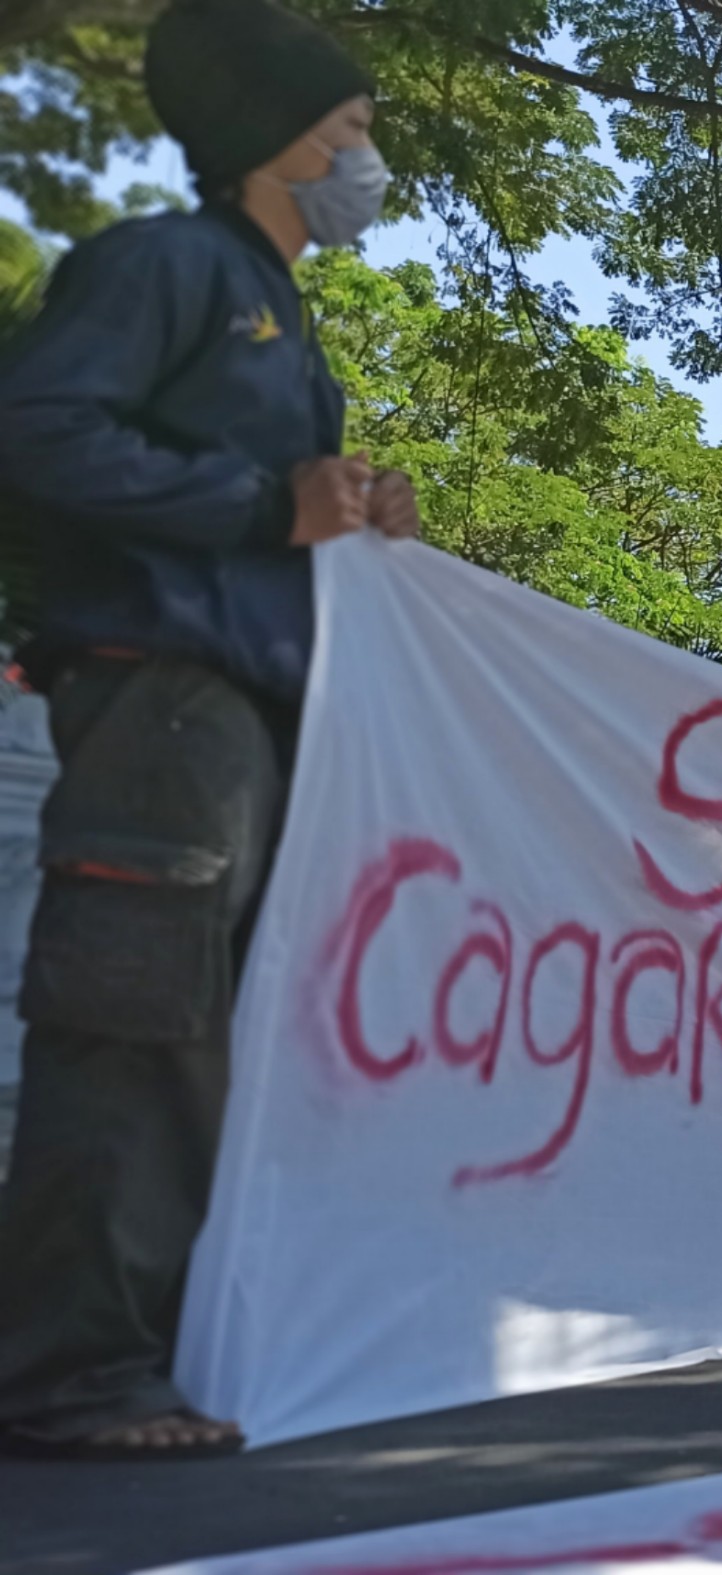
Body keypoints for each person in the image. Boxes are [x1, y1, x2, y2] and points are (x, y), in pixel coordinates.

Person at [0, 0, 419, 1461]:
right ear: (272, 141)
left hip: (244, 707)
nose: (370, 160)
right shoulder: (167, 266)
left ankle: (151, 1350)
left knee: (214, 1033)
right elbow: (40, 429)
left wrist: (349, 527)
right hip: (162, 695)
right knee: (137, 1018)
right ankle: (72, 1370)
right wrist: (260, 508)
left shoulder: (280, 315)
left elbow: (271, 509)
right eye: (353, 132)